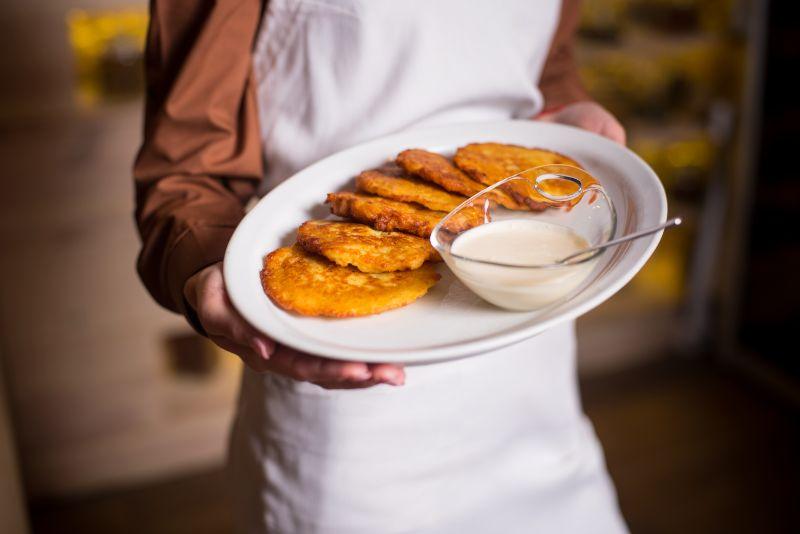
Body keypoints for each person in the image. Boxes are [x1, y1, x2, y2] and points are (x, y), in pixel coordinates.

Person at [134, 0, 628, 532]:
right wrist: (207, 268)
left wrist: (564, 111)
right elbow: (187, 170)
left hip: (534, 375)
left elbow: (543, 58)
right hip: (346, 412)